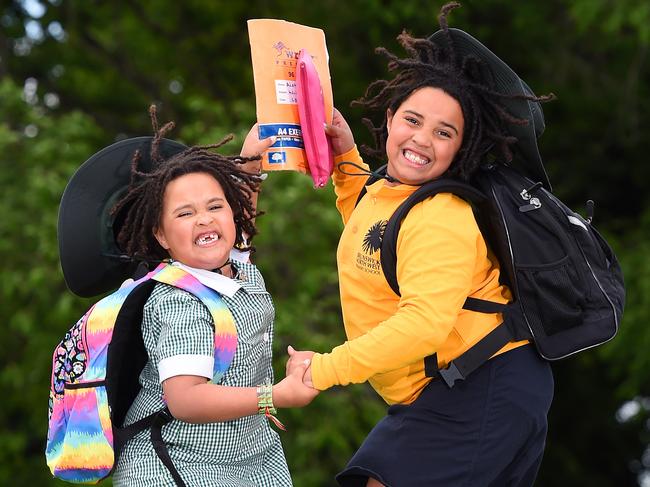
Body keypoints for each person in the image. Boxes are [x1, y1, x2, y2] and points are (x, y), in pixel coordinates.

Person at [283, 3, 555, 486]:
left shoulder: (443, 215)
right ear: (389, 119)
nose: (422, 139)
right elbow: (374, 236)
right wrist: (345, 155)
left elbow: (425, 324)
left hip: (484, 385)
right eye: (412, 120)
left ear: (460, 149)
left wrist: (324, 370)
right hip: (454, 391)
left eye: (443, 132)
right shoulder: (395, 194)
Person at [108, 107, 318, 486]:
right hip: (177, 465)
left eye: (215, 206)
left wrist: (252, 163)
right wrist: (274, 395)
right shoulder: (179, 301)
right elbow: (185, 399)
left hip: (251, 458)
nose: (204, 219)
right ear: (161, 235)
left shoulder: (234, 263)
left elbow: (241, 219)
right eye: (185, 214)